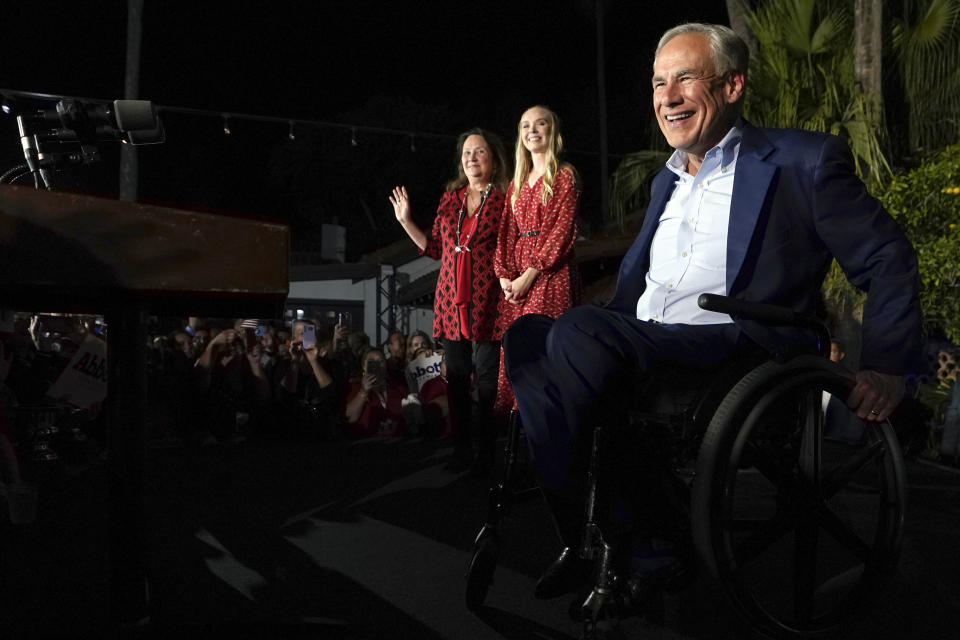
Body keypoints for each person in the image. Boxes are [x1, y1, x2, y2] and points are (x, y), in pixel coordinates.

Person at [502, 23, 923, 601]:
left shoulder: (801, 161)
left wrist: (888, 365)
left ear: (732, 86)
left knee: (576, 332)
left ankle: (643, 532)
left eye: (685, 79)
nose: (667, 96)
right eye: (657, 82)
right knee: (528, 338)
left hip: (734, 347)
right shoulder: (664, 183)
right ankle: (593, 533)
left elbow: (887, 255)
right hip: (644, 337)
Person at [390, 128, 509, 472]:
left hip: (488, 298)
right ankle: (460, 450)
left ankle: (487, 453)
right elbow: (434, 249)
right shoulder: (450, 198)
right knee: (456, 379)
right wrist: (406, 220)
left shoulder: (504, 199)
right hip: (449, 298)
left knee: (486, 381)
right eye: (467, 153)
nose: (472, 158)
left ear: (493, 159)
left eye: (480, 152)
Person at [494, 105, 581, 419]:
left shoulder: (564, 175)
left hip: (548, 275)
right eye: (525, 125)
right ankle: (520, 427)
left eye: (539, 124)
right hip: (516, 281)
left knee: (538, 346)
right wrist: (505, 276)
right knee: (516, 349)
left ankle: (545, 423)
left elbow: (561, 231)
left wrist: (528, 276)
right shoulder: (516, 184)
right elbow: (506, 231)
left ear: (551, 130)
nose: (532, 130)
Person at [344, 347, 407, 437]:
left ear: (385, 364)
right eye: (371, 362)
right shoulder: (355, 386)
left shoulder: (397, 386)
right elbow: (349, 418)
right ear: (364, 367)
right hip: (368, 444)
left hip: (396, 442)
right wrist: (363, 391)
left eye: (380, 361)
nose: (376, 365)